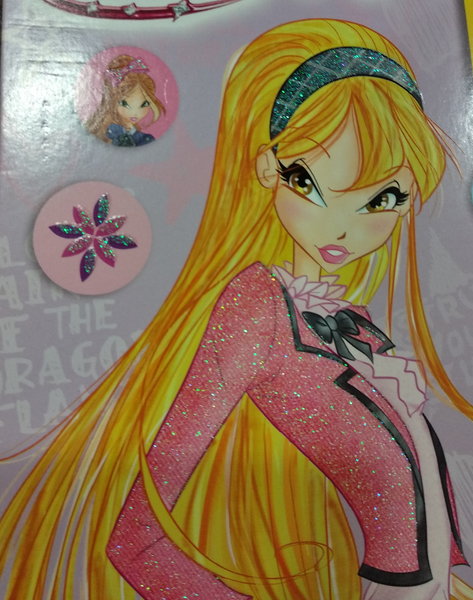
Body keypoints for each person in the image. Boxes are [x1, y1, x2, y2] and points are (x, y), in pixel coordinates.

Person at [1, 19, 473, 600]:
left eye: (384, 199)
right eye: (310, 183)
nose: (345, 228)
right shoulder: (257, 309)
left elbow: (416, 486)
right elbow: (135, 541)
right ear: (270, 168)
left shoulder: (349, 319)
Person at [85, 54, 165, 146]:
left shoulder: (146, 139)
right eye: (124, 104)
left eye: (144, 104)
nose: (135, 113)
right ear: (111, 100)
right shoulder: (105, 133)